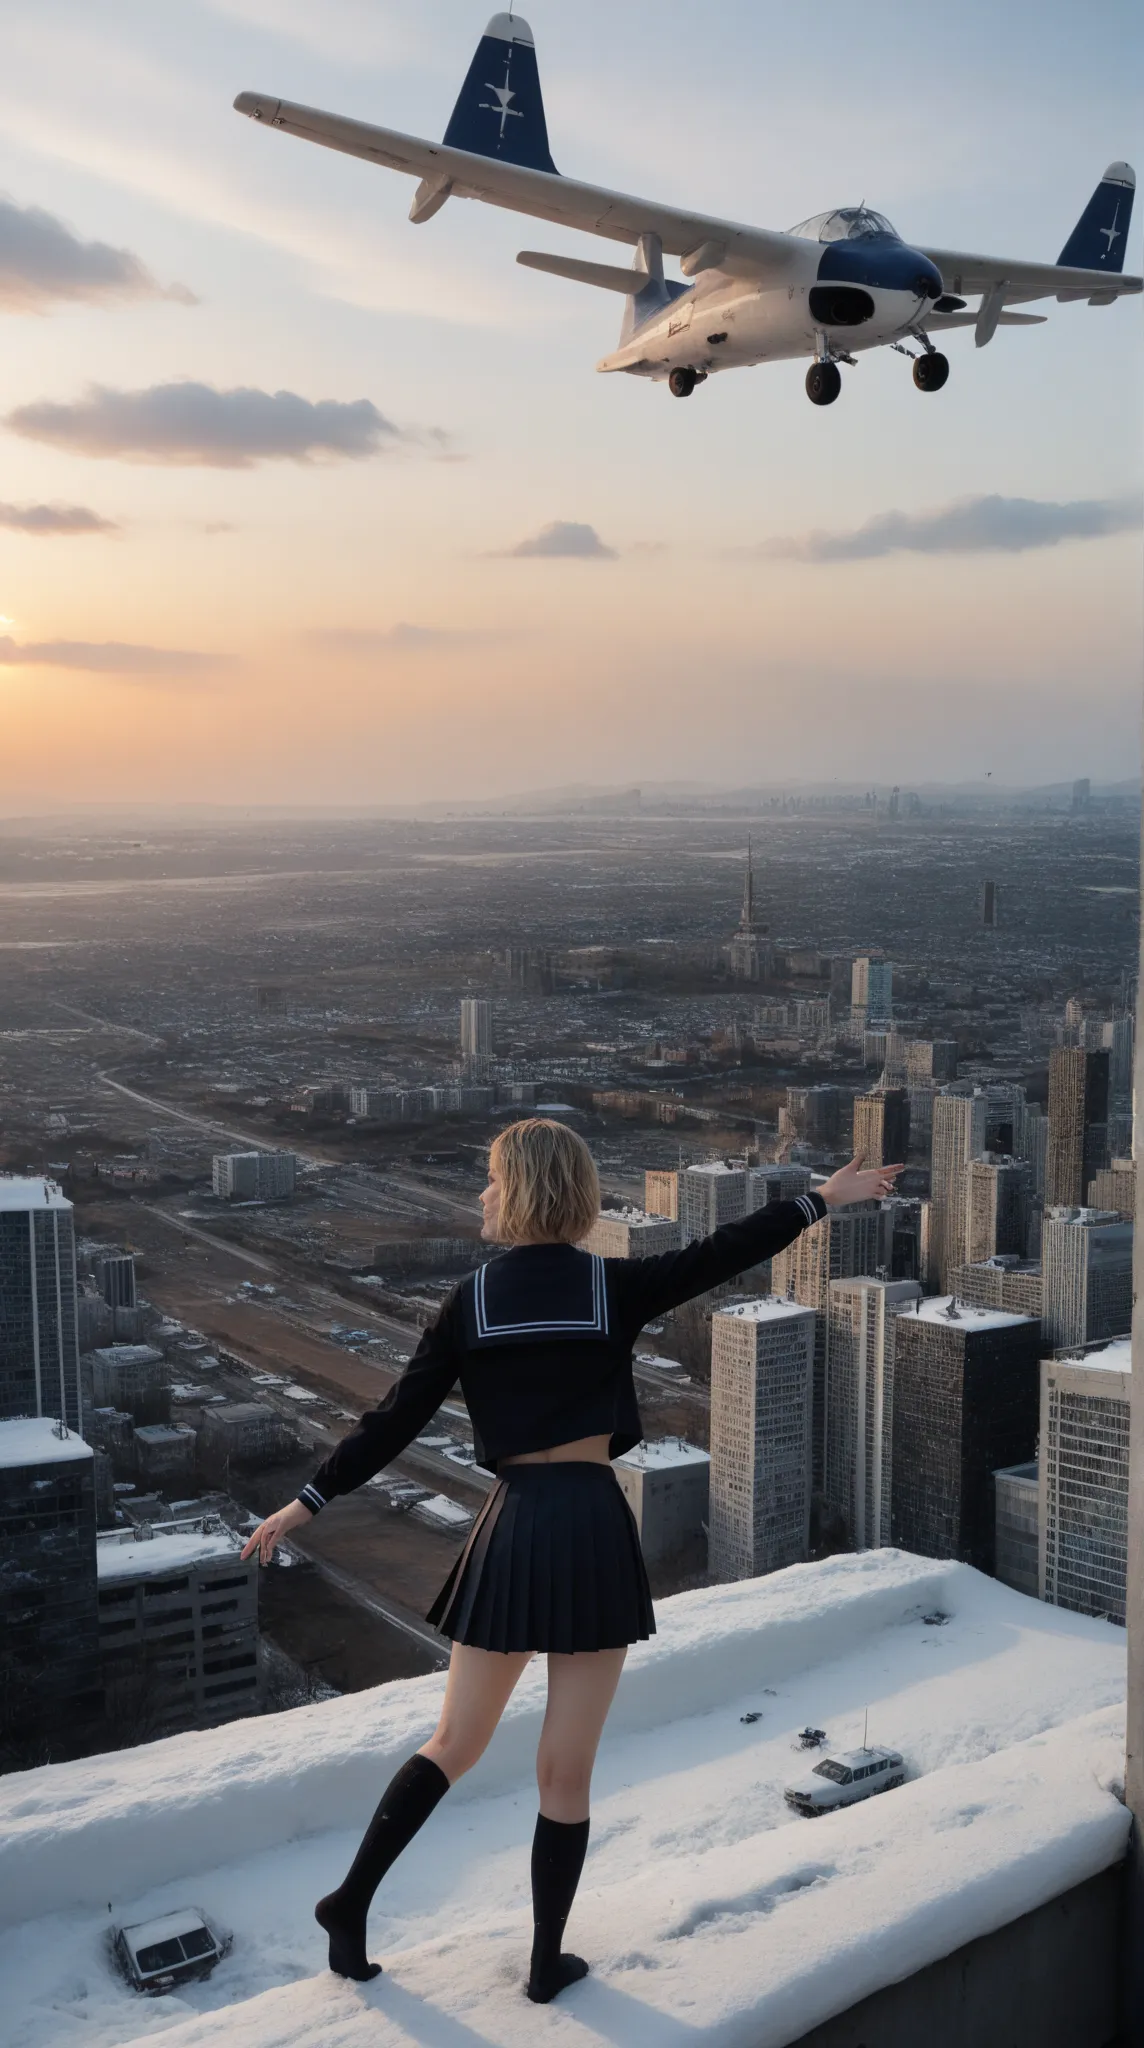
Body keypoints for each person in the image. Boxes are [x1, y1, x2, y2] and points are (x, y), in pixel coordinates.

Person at [243, 1120, 902, 2001]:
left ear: (516, 1191)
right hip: (590, 1526)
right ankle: (544, 1963)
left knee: (453, 1742)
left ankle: (350, 1901)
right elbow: (723, 1251)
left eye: (488, 1181)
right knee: (566, 1770)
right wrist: (822, 1198)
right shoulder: (611, 1287)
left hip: (511, 1531)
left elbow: (392, 1420)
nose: (480, 1196)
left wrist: (307, 1502)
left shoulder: (469, 1302)